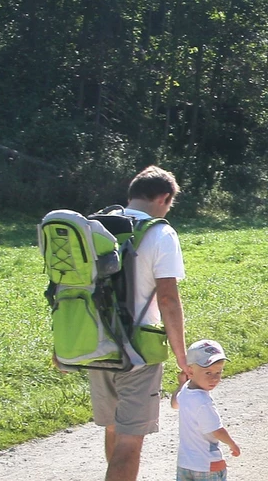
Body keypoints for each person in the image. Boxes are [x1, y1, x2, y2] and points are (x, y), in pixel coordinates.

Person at [90, 166, 189, 481]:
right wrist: (182, 357)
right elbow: (168, 300)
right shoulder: (160, 233)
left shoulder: (95, 227)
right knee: (130, 441)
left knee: (113, 428)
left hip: (95, 344)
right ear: (164, 198)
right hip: (138, 352)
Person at [173, 340, 240, 481]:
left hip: (185, 463)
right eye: (208, 372)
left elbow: (174, 403)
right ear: (190, 371)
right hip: (207, 464)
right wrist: (232, 444)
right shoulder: (203, 402)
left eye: (218, 372)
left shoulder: (185, 390)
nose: (214, 378)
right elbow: (217, 430)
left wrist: (180, 384)